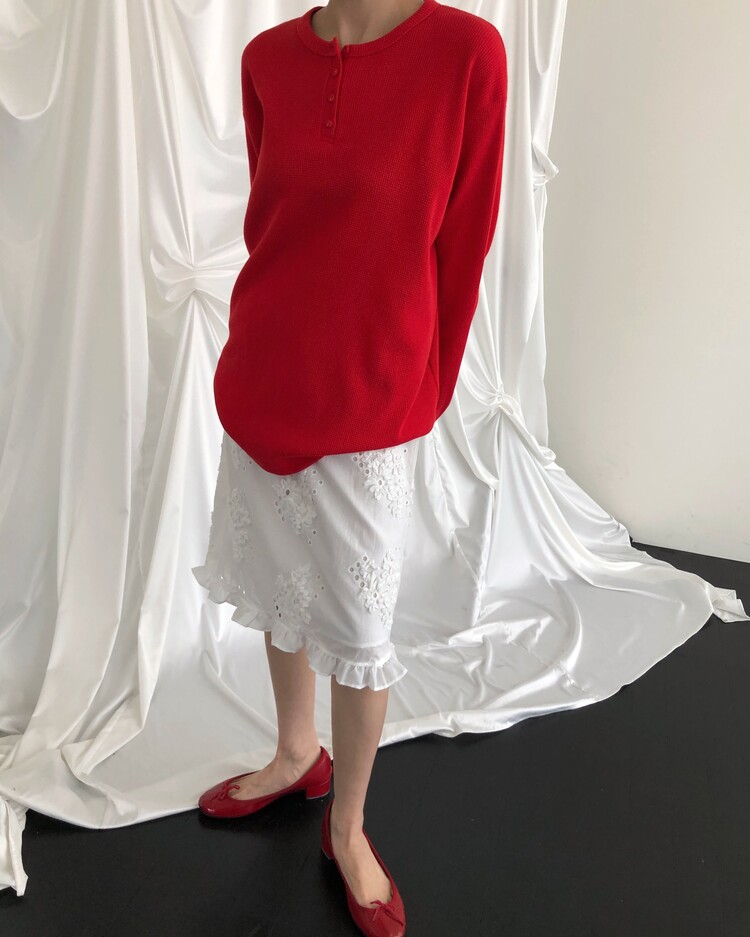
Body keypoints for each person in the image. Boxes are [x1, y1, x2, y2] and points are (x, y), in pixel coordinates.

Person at [192, 2, 508, 934]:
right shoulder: (267, 59)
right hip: (265, 373)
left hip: (375, 391)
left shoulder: (466, 55)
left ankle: (348, 825)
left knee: (362, 624)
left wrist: (423, 387)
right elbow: (275, 226)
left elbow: (465, 240)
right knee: (278, 584)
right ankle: (298, 752)